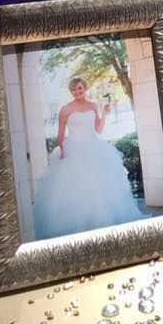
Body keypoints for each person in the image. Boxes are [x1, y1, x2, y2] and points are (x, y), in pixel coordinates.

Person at [31, 76, 142, 240]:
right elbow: (60, 135)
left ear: (85, 88)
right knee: (74, 188)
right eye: (74, 89)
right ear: (71, 92)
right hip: (73, 150)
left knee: (98, 186)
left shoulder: (92, 106)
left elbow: (98, 129)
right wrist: (62, 151)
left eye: (80, 88)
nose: (77, 91)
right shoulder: (65, 109)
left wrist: (103, 113)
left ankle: (102, 225)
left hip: (94, 148)